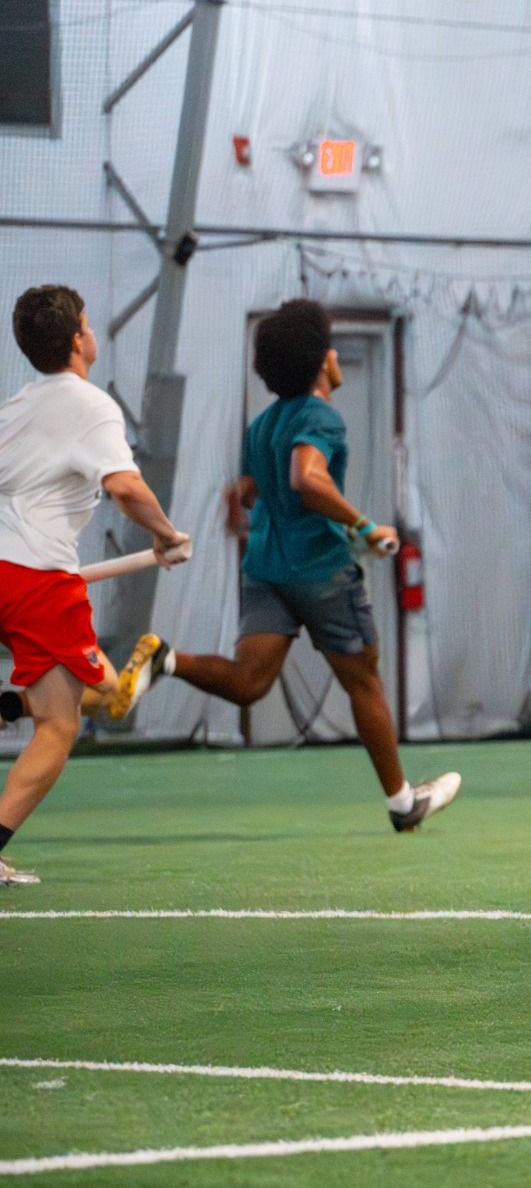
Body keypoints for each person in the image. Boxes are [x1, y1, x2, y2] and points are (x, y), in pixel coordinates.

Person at [151, 300, 461, 831]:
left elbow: (245, 494)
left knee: (250, 682)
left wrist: (273, 514)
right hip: (320, 573)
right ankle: (402, 803)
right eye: (331, 347)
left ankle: (166, 659)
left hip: (266, 568)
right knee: (365, 682)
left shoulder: (263, 423)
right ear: (322, 362)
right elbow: (306, 479)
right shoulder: (321, 416)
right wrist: (364, 528)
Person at [0, 285, 188, 885]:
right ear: (79, 339)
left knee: (76, 698)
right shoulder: (90, 406)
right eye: (87, 323)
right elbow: (126, 488)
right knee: (63, 725)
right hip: (36, 577)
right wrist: (165, 535)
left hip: (10, 576)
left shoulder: (16, 408)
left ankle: (17, 703)